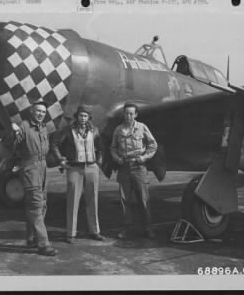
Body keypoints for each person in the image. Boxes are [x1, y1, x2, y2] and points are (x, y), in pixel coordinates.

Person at [51, 105, 104, 244]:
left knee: (93, 200)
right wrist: (60, 160)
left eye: (86, 116)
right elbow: (55, 144)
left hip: (91, 167)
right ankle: (71, 233)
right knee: (73, 200)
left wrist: (98, 162)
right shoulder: (68, 130)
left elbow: (100, 148)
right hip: (74, 168)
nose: (83, 118)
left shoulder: (95, 130)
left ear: (89, 117)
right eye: (81, 115)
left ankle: (95, 231)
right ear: (77, 116)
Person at [12, 101, 57, 256]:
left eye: (43, 112)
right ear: (32, 111)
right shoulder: (24, 126)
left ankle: (31, 238)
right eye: (38, 111)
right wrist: (13, 134)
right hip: (30, 168)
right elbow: (14, 145)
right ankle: (43, 244)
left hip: (43, 167)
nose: (40, 114)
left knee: (42, 203)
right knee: (36, 204)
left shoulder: (43, 127)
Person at [110, 102, 158, 239]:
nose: (128, 116)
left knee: (143, 199)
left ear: (136, 114)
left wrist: (144, 157)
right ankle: (126, 228)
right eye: (126, 113)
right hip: (124, 167)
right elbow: (112, 148)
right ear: (123, 114)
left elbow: (153, 145)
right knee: (125, 200)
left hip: (139, 167)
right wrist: (117, 158)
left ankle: (148, 228)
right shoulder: (118, 130)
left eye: (131, 113)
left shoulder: (142, 127)